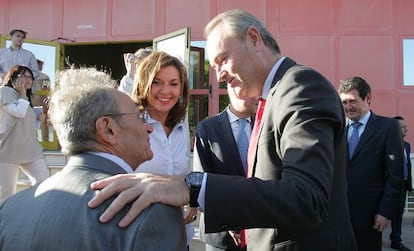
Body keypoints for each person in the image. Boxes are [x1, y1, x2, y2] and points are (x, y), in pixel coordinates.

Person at [88, 9, 356, 251]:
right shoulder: (276, 95)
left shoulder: (300, 87)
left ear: (253, 39)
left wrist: (192, 189)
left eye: (222, 60)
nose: (219, 76)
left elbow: (305, 197)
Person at [0, 67, 187, 251]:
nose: (149, 128)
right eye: (139, 116)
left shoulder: (11, 208)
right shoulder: (148, 208)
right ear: (107, 129)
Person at [130, 51, 195, 247]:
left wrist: (192, 197)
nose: (166, 91)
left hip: (180, 235)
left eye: (174, 84)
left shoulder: (181, 124)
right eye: (157, 82)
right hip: (140, 236)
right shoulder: (131, 123)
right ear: (143, 84)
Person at [338, 76, 404, 251]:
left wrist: (385, 212)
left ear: (368, 99)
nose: (347, 107)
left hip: (369, 217)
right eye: (344, 102)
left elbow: (395, 176)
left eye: (352, 101)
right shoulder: (336, 128)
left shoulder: (388, 128)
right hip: (337, 216)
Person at [193, 82, 258, 251]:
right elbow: (200, 184)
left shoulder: (265, 126)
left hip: (258, 233)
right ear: (234, 89)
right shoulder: (207, 129)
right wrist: (229, 222)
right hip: (220, 237)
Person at [0, 65, 49, 205]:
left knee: (43, 183)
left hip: (29, 149)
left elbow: (24, 123)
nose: (27, 80)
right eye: (23, 76)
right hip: (8, 149)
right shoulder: (5, 92)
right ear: (13, 77)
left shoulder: (26, 98)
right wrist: (22, 94)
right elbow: (18, 112)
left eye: (30, 77)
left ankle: (31, 213)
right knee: (5, 194)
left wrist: (39, 120)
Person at [390, 116, 412, 251]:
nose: (406, 130)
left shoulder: (407, 145)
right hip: (389, 185)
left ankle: (396, 240)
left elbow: (407, 165)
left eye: (406, 127)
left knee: (398, 214)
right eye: (403, 128)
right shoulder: (388, 144)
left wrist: (408, 184)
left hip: (402, 185)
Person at [31, 59, 51, 141]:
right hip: (35, 100)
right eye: (40, 64)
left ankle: (44, 140)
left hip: (38, 101)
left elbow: (45, 89)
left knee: (42, 121)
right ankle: (39, 140)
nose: (41, 66)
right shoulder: (43, 76)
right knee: (36, 121)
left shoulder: (44, 76)